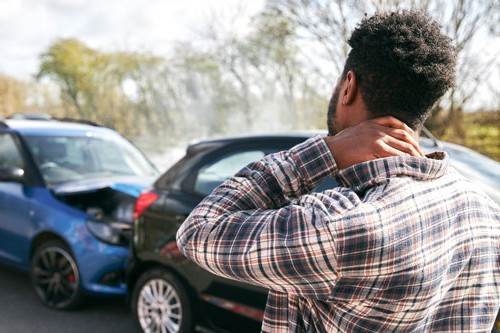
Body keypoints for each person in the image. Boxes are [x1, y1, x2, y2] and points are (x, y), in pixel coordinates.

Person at [177, 9, 500, 332]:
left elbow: (199, 231)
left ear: (348, 86)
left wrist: (325, 151)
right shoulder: (485, 212)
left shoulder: (338, 225)